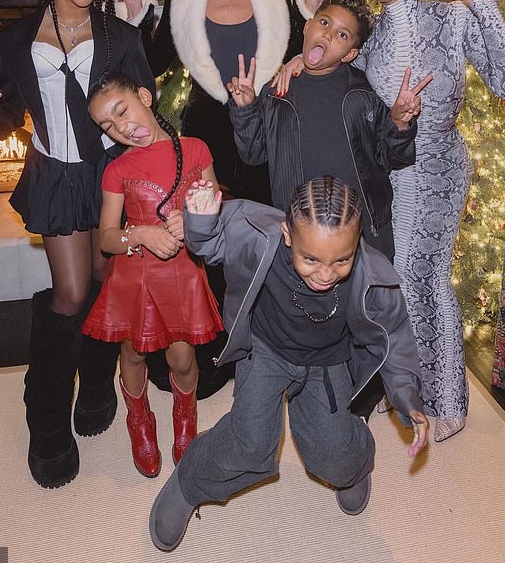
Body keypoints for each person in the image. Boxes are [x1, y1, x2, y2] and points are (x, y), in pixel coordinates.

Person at [281, 0, 505, 441]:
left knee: (426, 277)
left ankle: (447, 398)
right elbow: (327, 61)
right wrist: (294, 61)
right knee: (390, 282)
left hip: (438, 167)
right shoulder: (367, 44)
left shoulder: (454, 18)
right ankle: (398, 388)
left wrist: (482, 2)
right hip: (386, 176)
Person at [0, 0, 156, 488]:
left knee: (103, 279)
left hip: (110, 173)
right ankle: (46, 421)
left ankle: (94, 385)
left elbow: (145, 105)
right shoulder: (16, 39)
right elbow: (5, 110)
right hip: (57, 174)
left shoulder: (118, 34)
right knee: (70, 293)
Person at [148, 176, 429, 553]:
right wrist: (200, 219)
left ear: (357, 242)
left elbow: (394, 335)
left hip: (327, 362)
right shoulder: (258, 234)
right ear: (287, 234)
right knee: (249, 443)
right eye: (310, 259)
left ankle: (354, 464)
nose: (325, 274)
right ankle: (188, 483)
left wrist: (408, 396)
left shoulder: (372, 276)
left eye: (340, 260)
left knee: (335, 455)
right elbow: (210, 246)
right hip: (265, 350)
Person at [117, 0, 308, 395]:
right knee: (210, 244)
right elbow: (150, 65)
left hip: (268, 133)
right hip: (206, 139)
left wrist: (306, 17)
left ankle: (271, 352)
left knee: (271, 237)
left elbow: (313, 54)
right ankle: (218, 349)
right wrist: (138, 14)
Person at [82, 73, 223, 477]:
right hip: (135, 274)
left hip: (179, 272)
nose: (120, 126)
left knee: (181, 358)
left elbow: (215, 207)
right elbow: (107, 238)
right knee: (134, 351)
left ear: (145, 96)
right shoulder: (117, 170)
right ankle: (138, 417)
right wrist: (141, 233)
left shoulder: (195, 149)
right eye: (107, 125)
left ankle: (184, 413)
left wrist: (193, 220)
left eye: (121, 110)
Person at [227, 0, 430, 262]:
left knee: (363, 305)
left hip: (364, 239)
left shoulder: (363, 95)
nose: (328, 35)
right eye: (324, 23)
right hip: (299, 240)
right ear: (308, 26)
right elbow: (253, 154)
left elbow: (392, 157)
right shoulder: (277, 92)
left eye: (342, 35)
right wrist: (245, 109)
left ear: (349, 54)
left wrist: (399, 123)